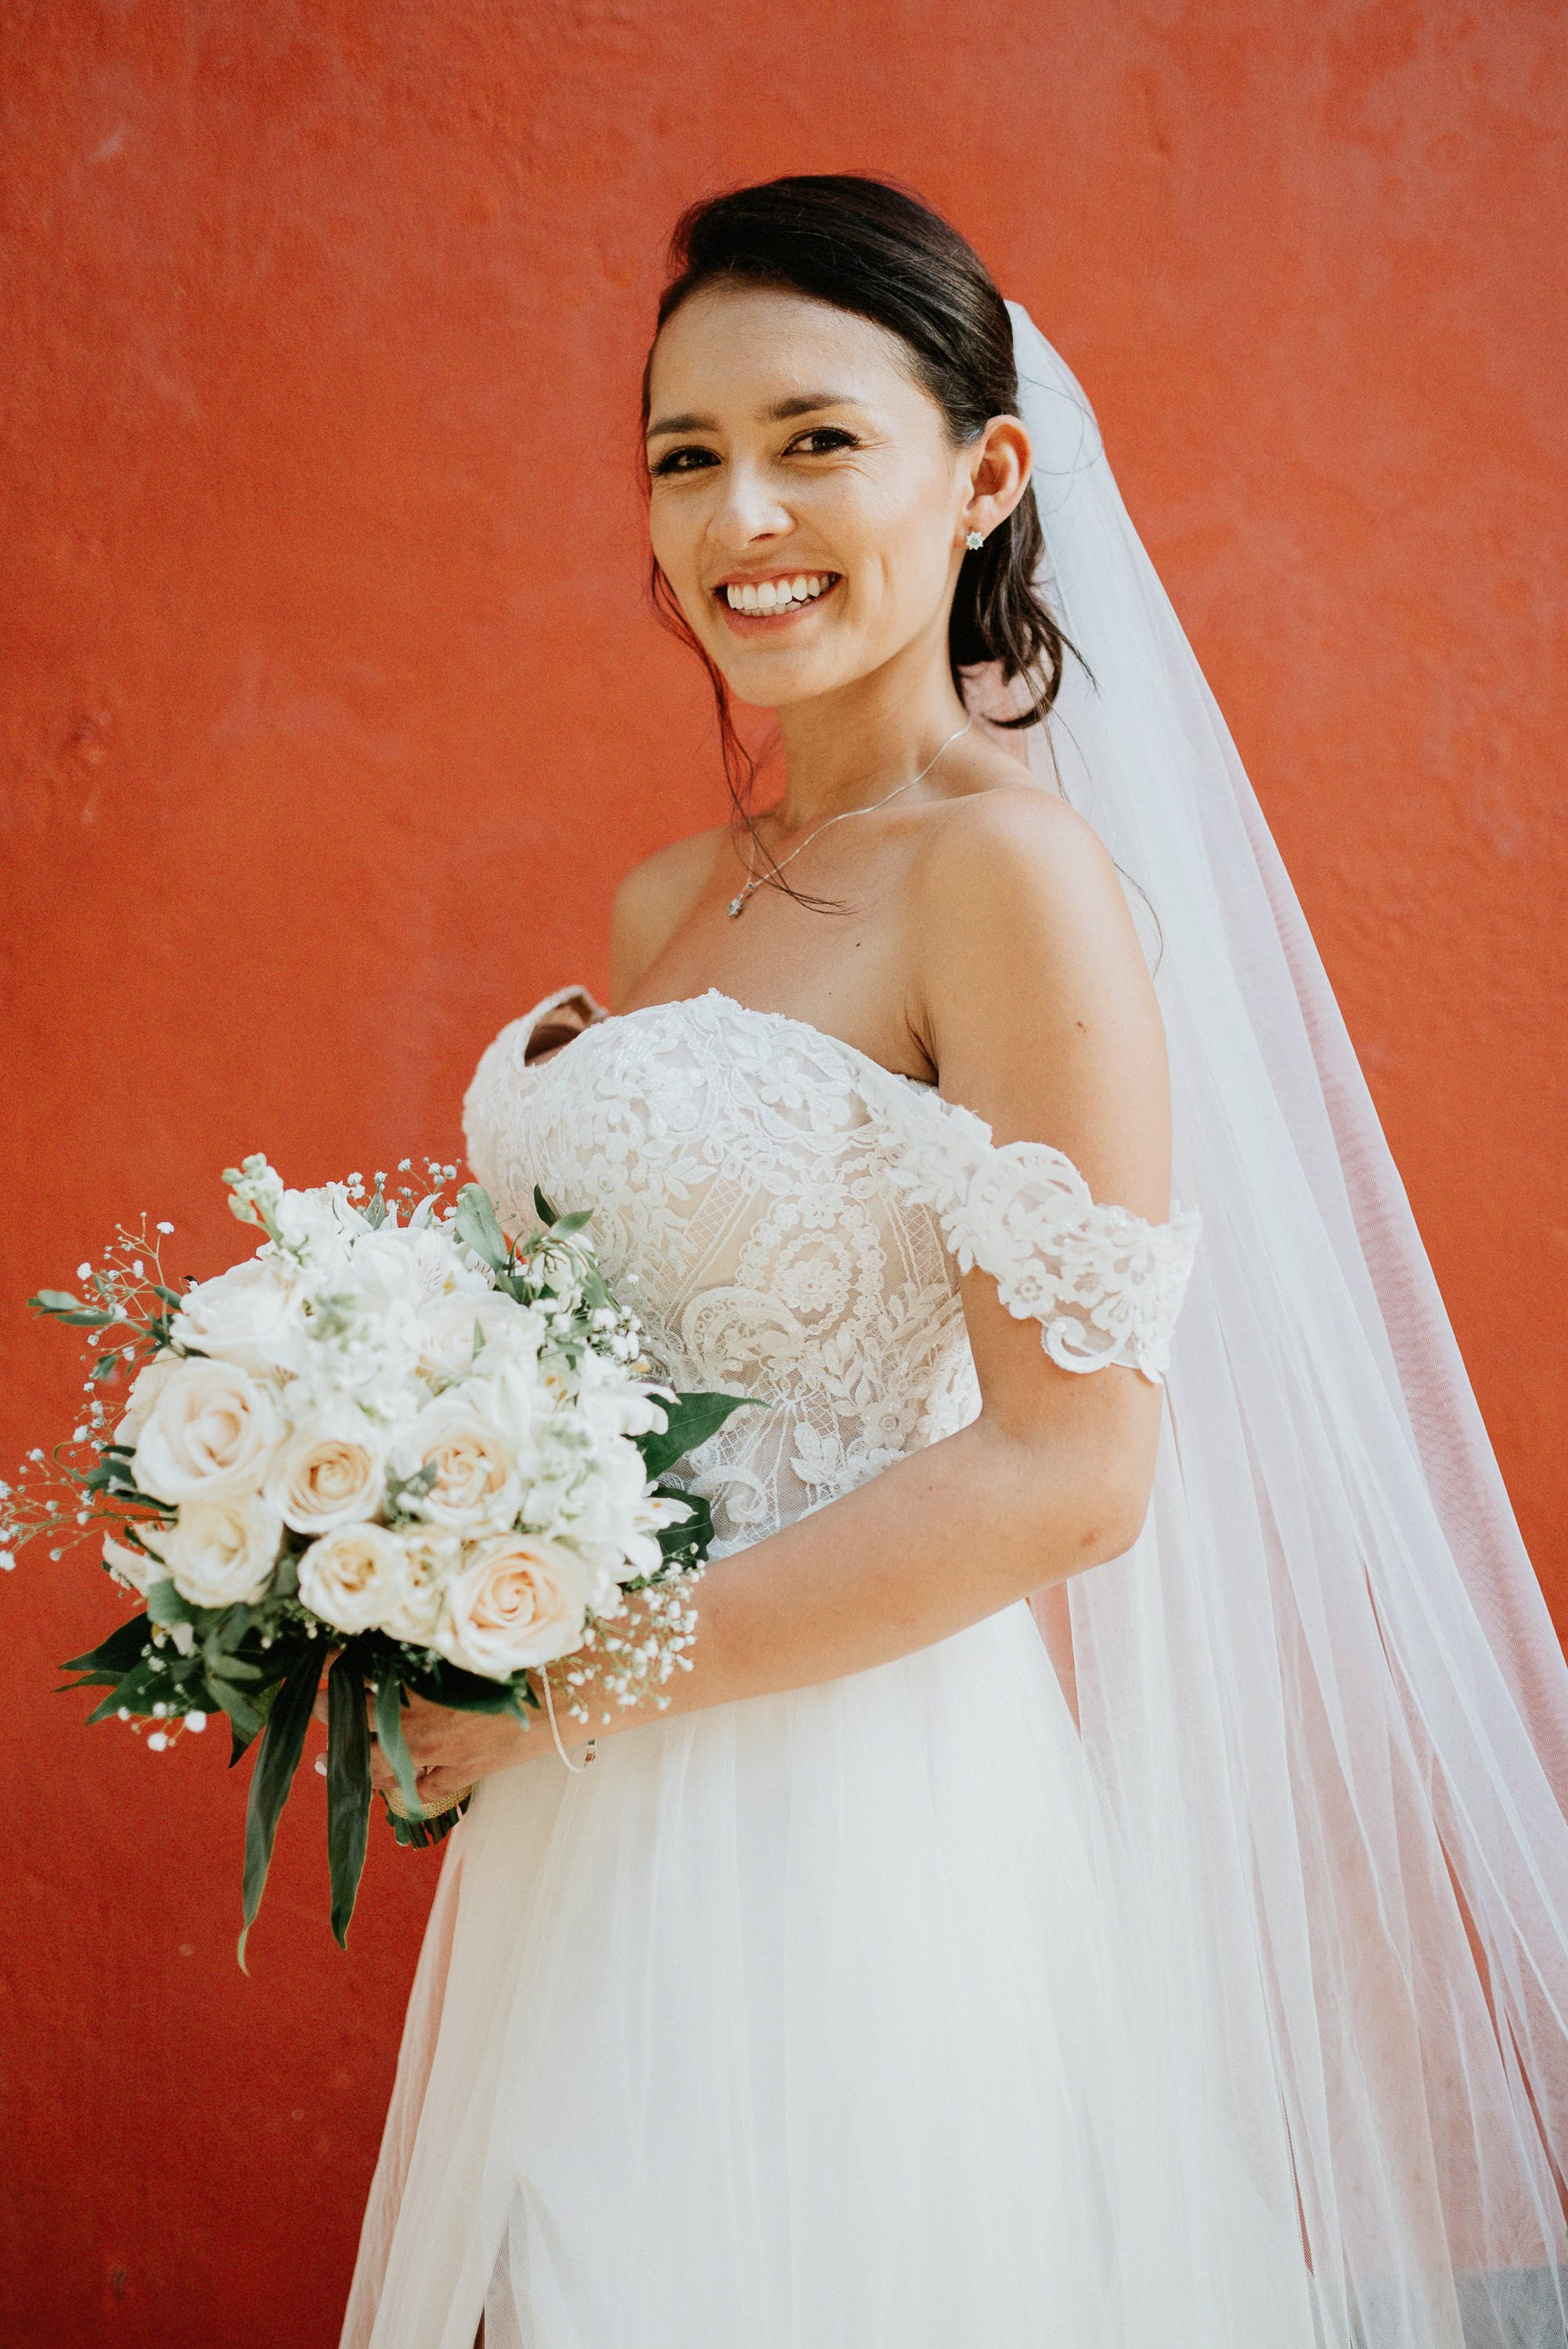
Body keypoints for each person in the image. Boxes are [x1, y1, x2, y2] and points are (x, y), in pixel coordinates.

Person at [341, 177, 1568, 2349]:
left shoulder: (1010, 878)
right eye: (687, 456)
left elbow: (1071, 1469)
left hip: (841, 1829)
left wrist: (561, 1679)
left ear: (986, 475)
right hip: (579, 1828)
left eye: (815, 439)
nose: (741, 515)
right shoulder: (666, 904)